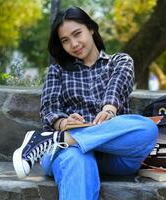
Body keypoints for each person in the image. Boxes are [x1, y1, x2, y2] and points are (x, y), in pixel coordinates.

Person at [13, 6, 158, 200]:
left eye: (77, 34)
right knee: (76, 158)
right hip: (69, 152)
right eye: (65, 40)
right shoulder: (57, 71)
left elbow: (118, 86)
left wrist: (109, 110)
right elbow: (49, 109)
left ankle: (58, 139)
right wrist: (64, 123)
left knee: (147, 129)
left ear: (91, 28)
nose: (73, 44)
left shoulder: (119, 61)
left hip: (113, 155)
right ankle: (64, 140)